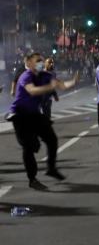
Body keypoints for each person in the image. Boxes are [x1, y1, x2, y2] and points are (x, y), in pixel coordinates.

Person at [9, 52, 77, 190]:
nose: (41, 63)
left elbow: (62, 85)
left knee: (52, 140)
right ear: (28, 63)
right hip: (20, 115)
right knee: (29, 147)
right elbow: (32, 91)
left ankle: (51, 168)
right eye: (37, 61)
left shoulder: (47, 75)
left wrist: (73, 82)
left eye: (41, 60)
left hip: (35, 114)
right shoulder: (26, 76)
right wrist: (49, 87)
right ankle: (32, 179)